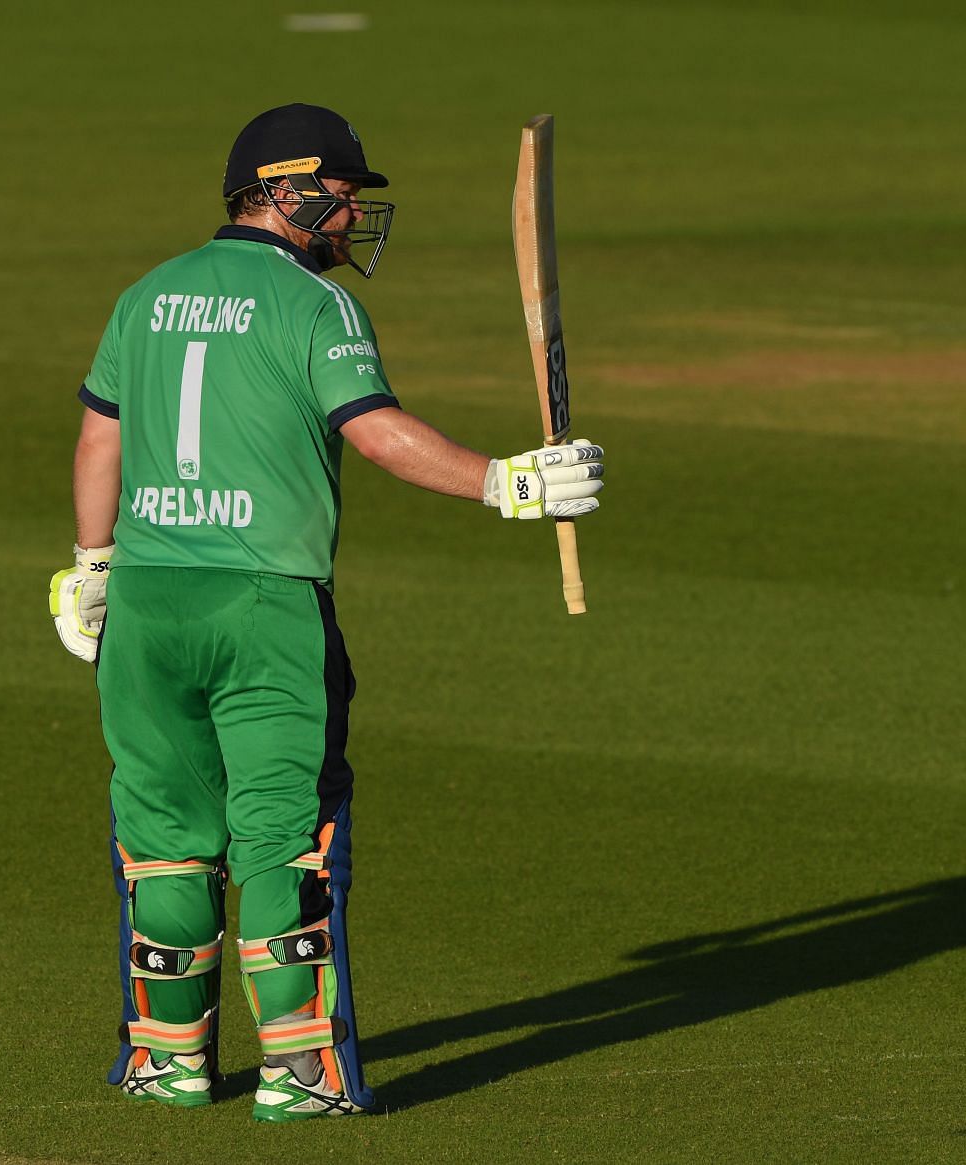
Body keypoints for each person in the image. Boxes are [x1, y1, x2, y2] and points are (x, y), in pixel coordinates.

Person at [47, 103, 606, 1121]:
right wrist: (508, 484)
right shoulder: (313, 306)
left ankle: (166, 1061)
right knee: (280, 835)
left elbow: (99, 441)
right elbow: (380, 432)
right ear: (292, 188)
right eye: (346, 198)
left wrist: (90, 567)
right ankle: (300, 1072)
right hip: (266, 606)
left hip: (146, 603)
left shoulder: (147, 293)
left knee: (165, 832)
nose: (353, 219)